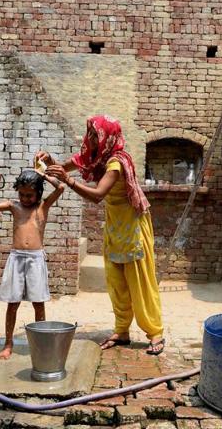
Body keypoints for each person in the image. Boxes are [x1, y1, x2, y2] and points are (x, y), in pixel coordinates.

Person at [38, 115, 165, 356]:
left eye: (96, 135)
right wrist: (49, 163)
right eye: (91, 134)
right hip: (115, 224)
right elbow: (67, 167)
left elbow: (98, 195)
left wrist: (69, 181)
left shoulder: (116, 162)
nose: (92, 139)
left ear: (107, 137)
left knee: (139, 281)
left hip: (133, 225)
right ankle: (122, 330)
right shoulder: (96, 158)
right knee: (116, 280)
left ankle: (155, 332)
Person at [0, 169, 65, 359]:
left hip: (36, 259)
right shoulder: (13, 206)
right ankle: (8, 343)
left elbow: (60, 187)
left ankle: (41, 345)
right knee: (13, 303)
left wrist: (42, 174)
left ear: (38, 194)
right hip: (16, 258)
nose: (25, 198)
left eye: (30, 195)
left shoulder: (43, 206)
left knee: (38, 303)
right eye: (22, 194)